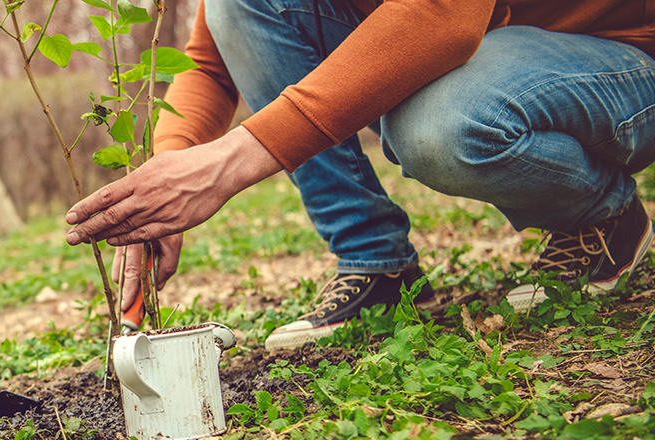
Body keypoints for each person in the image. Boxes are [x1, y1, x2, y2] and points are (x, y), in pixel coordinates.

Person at [68, 0, 655, 351]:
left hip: (618, 58)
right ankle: (378, 262)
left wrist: (228, 164)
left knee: (441, 127)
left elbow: (442, 14)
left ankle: (602, 215)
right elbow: (211, 60)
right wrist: (169, 171)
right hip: (496, 50)